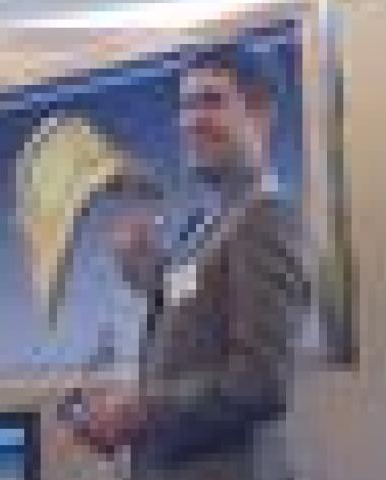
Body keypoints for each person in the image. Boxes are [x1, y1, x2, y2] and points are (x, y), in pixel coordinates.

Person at [68, 49, 315, 480]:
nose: (190, 121)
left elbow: (261, 381)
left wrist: (137, 412)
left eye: (211, 101)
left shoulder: (266, 218)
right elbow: (194, 298)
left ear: (260, 113)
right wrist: (147, 271)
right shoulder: (209, 223)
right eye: (185, 105)